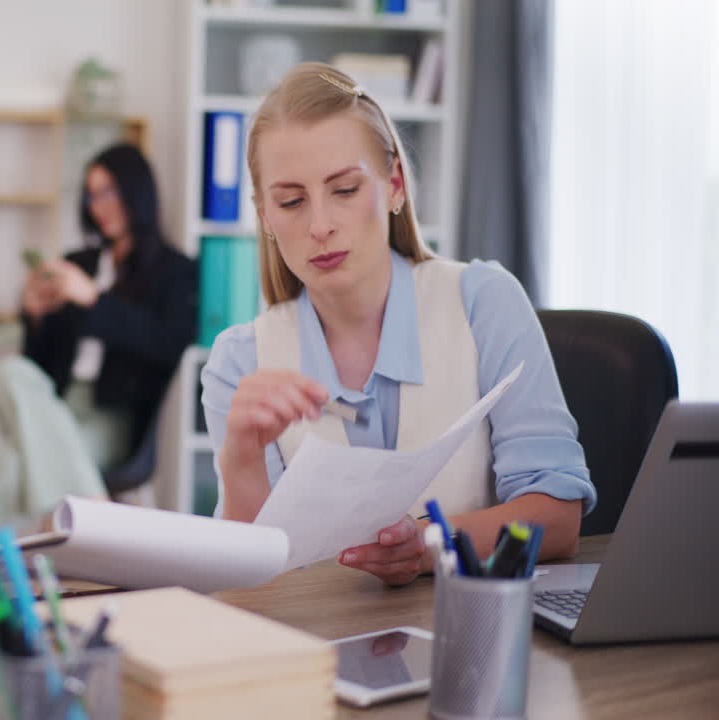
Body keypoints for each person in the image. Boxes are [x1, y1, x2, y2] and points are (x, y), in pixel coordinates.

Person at [201, 63, 596, 586]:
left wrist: (430, 544)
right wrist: (240, 463)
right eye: (291, 202)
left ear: (394, 186)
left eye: (343, 190)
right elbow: (251, 576)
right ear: (266, 216)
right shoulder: (240, 363)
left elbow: (558, 518)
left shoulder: (484, 303)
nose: (319, 225)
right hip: (316, 648)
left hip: (469, 633)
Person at [0, 143, 198, 532]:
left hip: (113, 414)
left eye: (108, 192)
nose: (98, 205)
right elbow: (38, 365)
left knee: (9, 463)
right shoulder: (77, 263)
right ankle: (95, 510)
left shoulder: (174, 271)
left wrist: (93, 299)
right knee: (9, 372)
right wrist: (35, 316)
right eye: (92, 195)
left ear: (136, 192)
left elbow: (166, 344)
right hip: (59, 402)